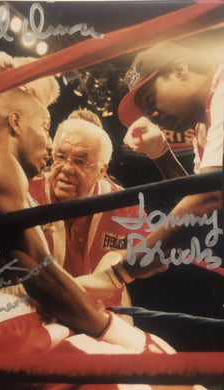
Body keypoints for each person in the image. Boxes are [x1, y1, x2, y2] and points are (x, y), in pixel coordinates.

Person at [0, 87, 183, 389]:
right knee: (153, 377)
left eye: (81, 161)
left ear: (102, 170)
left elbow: (185, 225)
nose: (50, 147)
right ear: (16, 122)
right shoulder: (1, 168)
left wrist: (120, 279)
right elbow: (40, 277)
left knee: (168, 373)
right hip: (21, 322)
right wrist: (116, 329)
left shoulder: (119, 202)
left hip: (53, 314)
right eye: (47, 131)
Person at [77, 42, 223, 313]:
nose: (152, 115)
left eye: (150, 101)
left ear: (180, 69)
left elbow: (209, 198)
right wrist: (162, 154)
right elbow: (203, 214)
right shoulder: (203, 129)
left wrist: (118, 273)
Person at [29, 112, 148, 308]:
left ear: (102, 170)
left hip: (104, 310)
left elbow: (160, 255)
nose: (67, 168)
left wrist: (116, 268)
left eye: (79, 161)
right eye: (61, 156)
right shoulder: (26, 192)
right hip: (40, 308)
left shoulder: (124, 204)